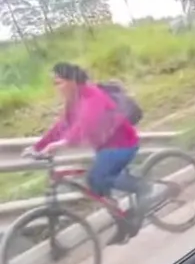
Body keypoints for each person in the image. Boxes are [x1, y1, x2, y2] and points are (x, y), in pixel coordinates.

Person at [23, 62, 150, 245]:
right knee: (97, 187)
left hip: (123, 144)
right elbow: (61, 127)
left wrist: (62, 143)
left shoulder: (93, 95)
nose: (56, 87)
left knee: (97, 178)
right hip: (104, 148)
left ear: (72, 81)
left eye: (59, 82)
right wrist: (38, 147)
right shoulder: (73, 101)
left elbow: (86, 124)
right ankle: (123, 224)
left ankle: (141, 187)